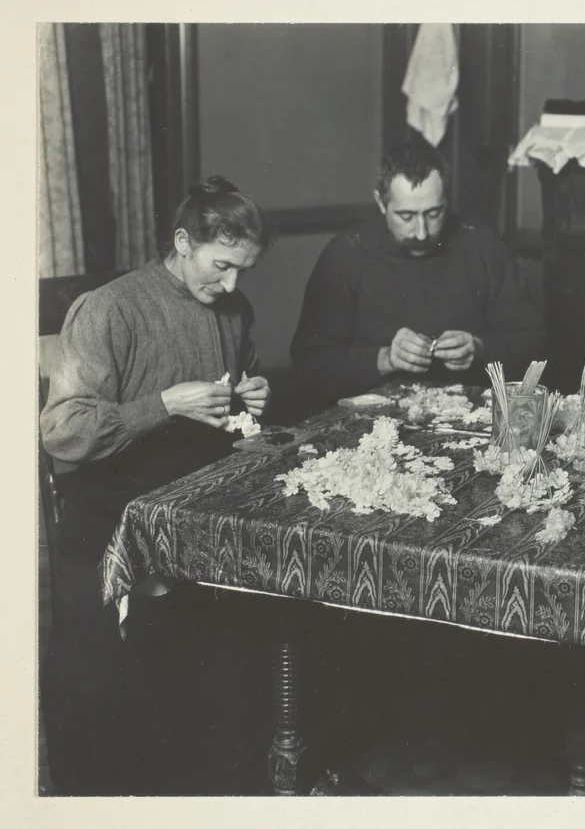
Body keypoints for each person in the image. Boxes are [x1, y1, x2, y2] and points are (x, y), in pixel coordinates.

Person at [39, 176, 274, 794]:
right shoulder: (110, 308)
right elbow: (62, 433)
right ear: (181, 242)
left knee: (230, 656)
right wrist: (162, 405)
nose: (230, 286)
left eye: (242, 271)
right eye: (221, 266)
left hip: (196, 506)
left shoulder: (233, 307)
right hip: (111, 513)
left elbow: (240, 394)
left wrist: (253, 394)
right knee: (129, 694)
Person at [290, 141, 544, 401]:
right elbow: (310, 365)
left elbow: (532, 343)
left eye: (434, 213)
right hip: (373, 422)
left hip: (466, 411)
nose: (422, 233)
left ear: (447, 200)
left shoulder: (483, 246)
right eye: (406, 216)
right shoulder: (345, 255)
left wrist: (480, 349)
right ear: (380, 203)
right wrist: (384, 359)